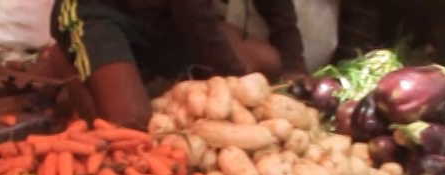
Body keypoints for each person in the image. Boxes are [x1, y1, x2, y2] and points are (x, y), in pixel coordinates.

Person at [45, 0, 309, 129]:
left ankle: (133, 72)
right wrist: (238, 86)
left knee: (269, 62)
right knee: (132, 126)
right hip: (100, 11)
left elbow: (278, 8)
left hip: (163, 16)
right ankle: (65, 58)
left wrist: (295, 67)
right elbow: (196, 19)